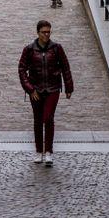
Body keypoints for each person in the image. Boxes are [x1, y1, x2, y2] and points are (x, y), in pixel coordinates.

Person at [18, 20, 73, 166]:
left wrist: (69, 87)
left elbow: (65, 67)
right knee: (37, 120)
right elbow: (22, 70)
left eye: (49, 32)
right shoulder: (29, 49)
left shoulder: (57, 48)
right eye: (44, 32)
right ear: (38, 33)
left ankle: (48, 151)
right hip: (35, 89)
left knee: (48, 118)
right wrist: (29, 89)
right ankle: (38, 151)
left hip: (53, 88)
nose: (47, 35)